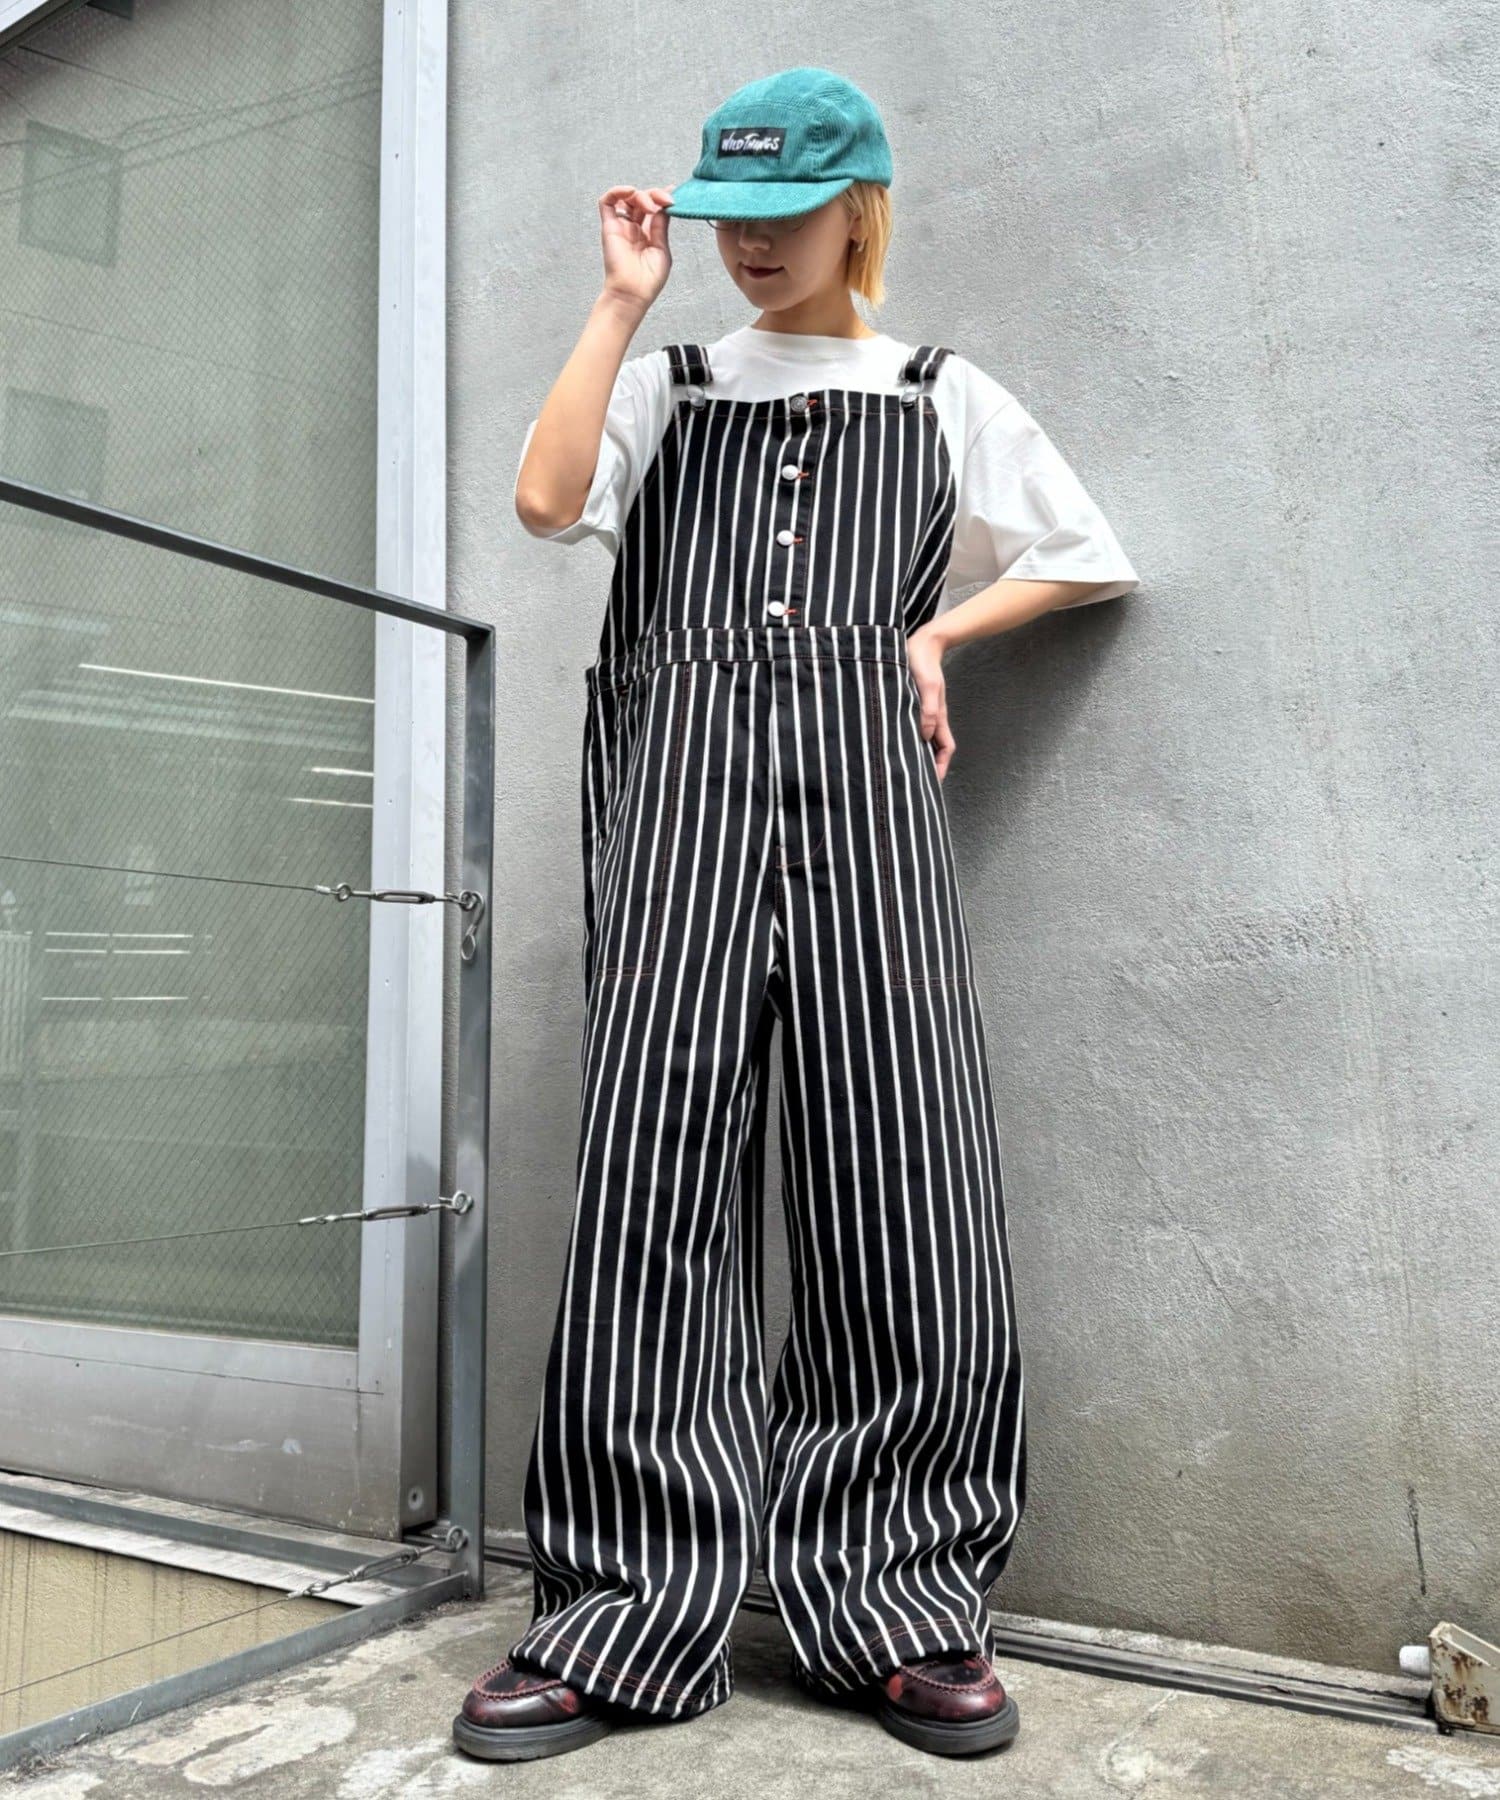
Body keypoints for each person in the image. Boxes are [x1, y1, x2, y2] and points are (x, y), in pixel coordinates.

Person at [454, 65, 1139, 1766]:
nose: (751, 246)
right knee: (653, 1184)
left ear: (858, 211)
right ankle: (621, 1613)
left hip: (868, 816)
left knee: (899, 1179)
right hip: (676, 811)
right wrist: (620, 303)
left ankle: (903, 1602)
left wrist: (936, 635)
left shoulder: (938, 391)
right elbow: (548, 501)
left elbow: (1085, 552)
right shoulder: (671, 381)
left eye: (785, 215)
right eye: (728, 219)